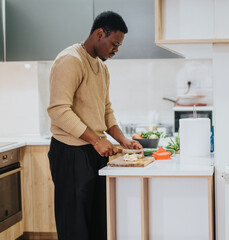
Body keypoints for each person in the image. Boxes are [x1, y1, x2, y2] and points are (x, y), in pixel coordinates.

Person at [47, 11, 142, 240]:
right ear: (100, 33)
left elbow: (106, 110)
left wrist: (123, 140)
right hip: (71, 154)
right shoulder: (71, 60)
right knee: (75, 227)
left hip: (93, 153)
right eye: (114, 44)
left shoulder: (102, 68)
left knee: (98, 224)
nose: (116, 50)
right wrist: (97, 140)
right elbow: (58, 110)